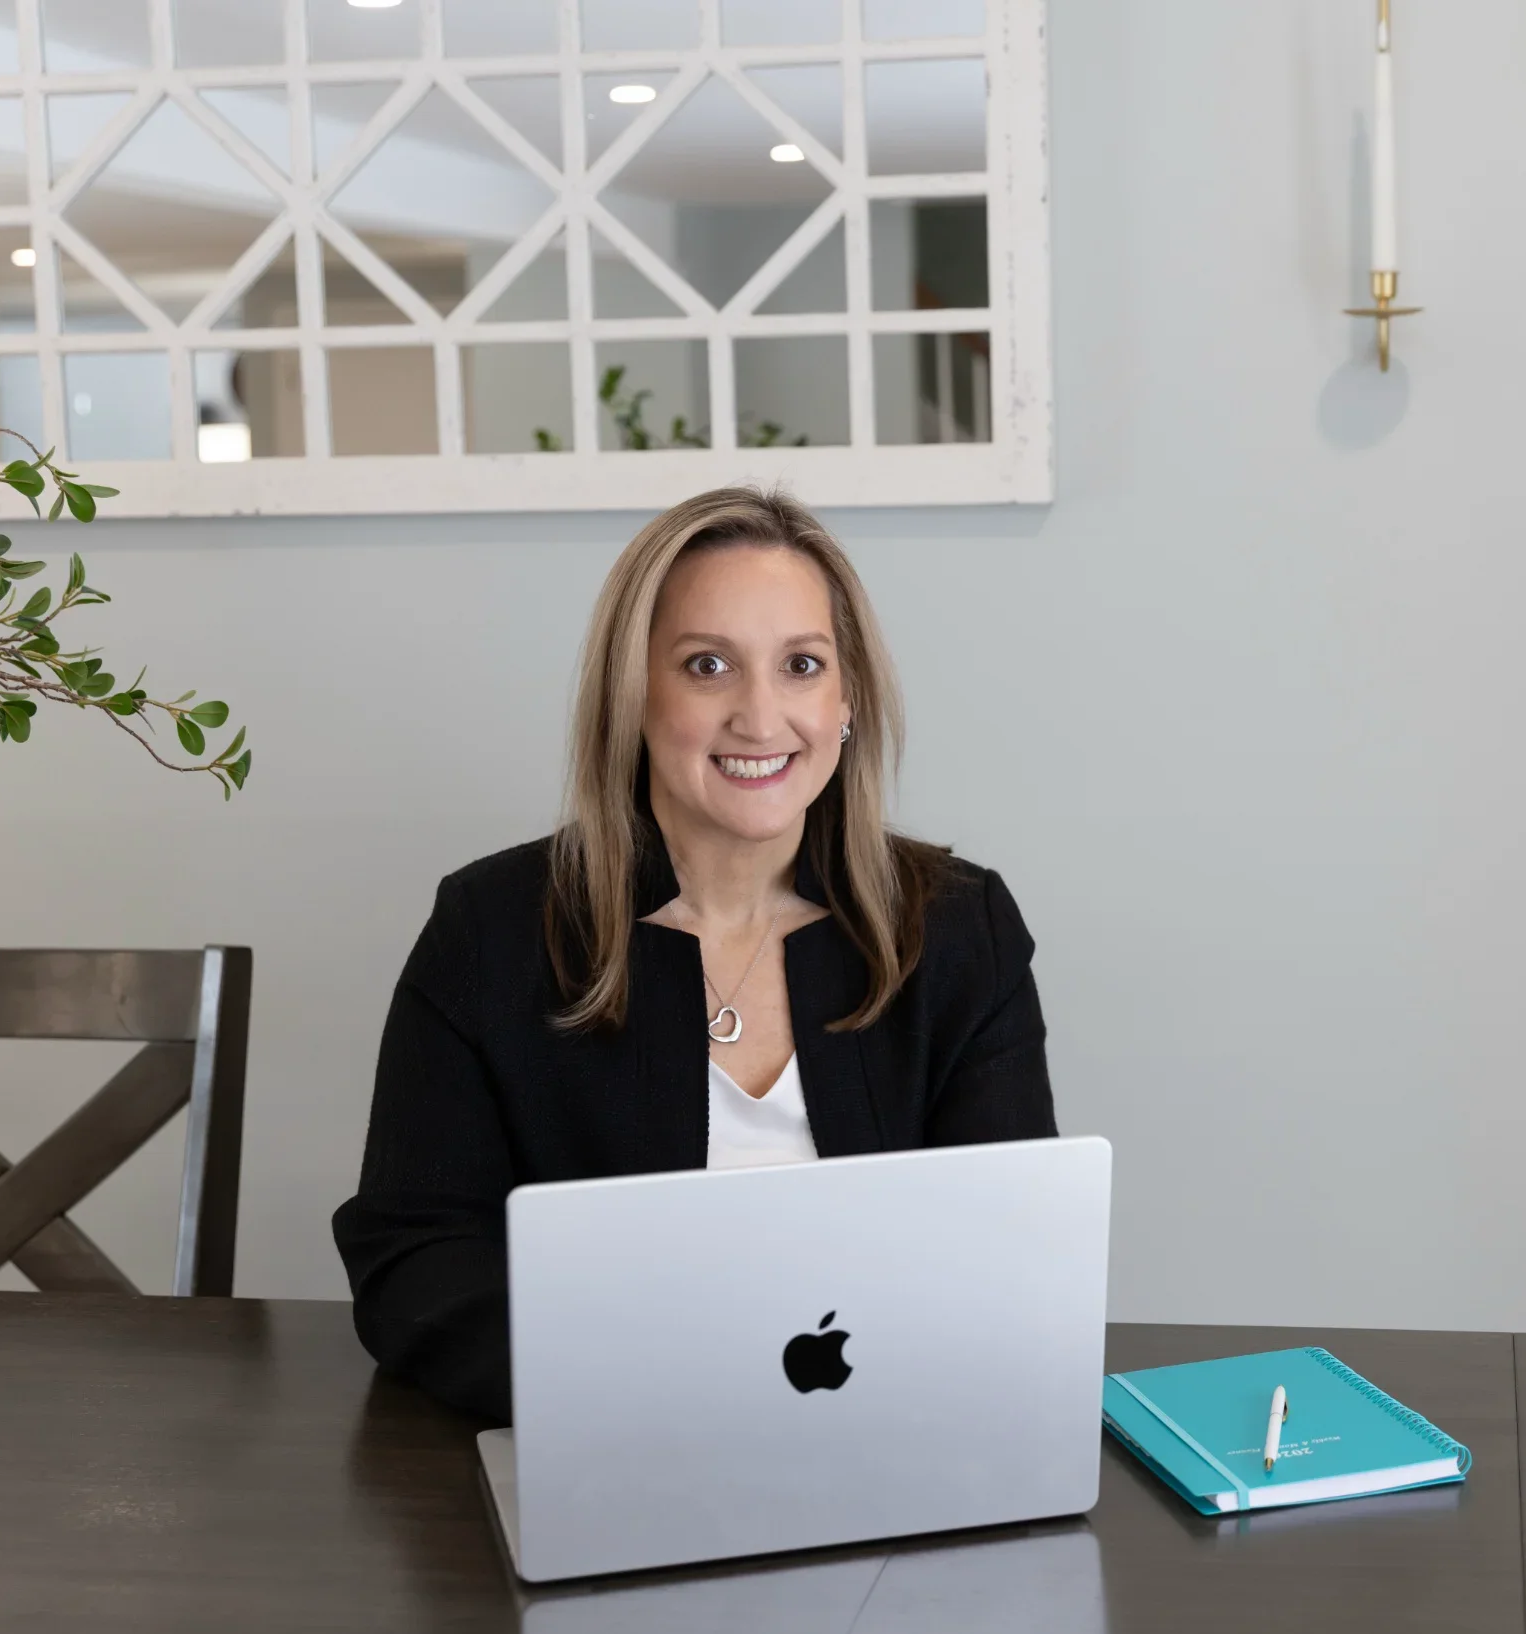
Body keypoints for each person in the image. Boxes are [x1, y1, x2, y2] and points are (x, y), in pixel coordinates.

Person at [332, 487, 1057, 1421]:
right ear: (634, 694)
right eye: (708, 665)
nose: (761, 718)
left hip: (903, 1448)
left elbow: (1013, 1255)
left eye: (802, 665)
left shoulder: (962, 928)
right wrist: (635, 1395)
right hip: (606, 1445)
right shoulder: (492, 927)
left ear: (846, 703)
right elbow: (414, 1259)